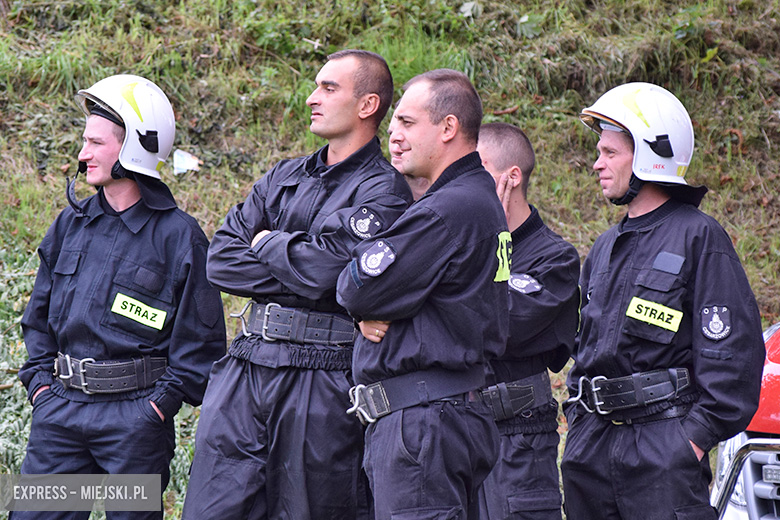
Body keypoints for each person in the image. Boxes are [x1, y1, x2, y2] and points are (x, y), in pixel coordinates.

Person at [181, 49, 412, 520]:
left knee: (308, 509)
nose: (312, 97)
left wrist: (266, 242)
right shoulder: (283, 176)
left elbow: (330, 270)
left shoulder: (385, 191)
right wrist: (304, 264)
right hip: (246, 365)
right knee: (211, 508)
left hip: (323, 375)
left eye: (328, 88)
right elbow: (221, 260)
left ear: (367, 105)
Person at [15, 74, 226, 520]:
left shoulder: (180, 237)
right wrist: (40, 388)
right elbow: (37, 318)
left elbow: (201, 343)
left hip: (134, 424)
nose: (82, 154)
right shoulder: (69, 224)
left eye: (95, 143)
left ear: (133, 147)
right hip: (59, 414)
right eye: (84, 141)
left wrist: (156, 408)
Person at [561, 82, 765, 519]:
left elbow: (733, 355)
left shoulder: (699, 237)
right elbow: (585, 349)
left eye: (610, 153)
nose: (597, 164)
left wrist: (689, 441)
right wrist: (578, 425)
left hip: (662, 455)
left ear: (651, 155)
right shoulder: (604, 247)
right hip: (590, 453)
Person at [336, 69, 511, 520]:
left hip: (423, 424)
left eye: (407, 122)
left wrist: (366, 301)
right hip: (441, 416)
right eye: (394, 123)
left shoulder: (447, 209)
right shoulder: (474, 200)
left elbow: (356, 287)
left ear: (448, 127)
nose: (393, 134)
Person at [475, 123, 580, 520]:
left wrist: (496, 241)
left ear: (511, 177)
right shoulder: (456, 242)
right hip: (456, 434)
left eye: (476, 169)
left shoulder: (556, 259)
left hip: (518, 444)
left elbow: (500, 324)